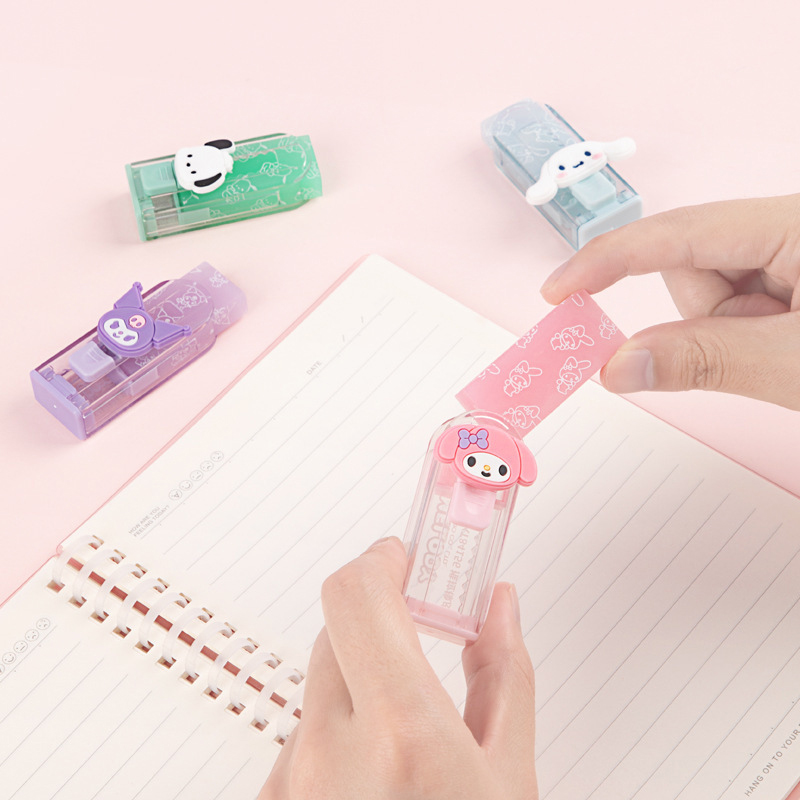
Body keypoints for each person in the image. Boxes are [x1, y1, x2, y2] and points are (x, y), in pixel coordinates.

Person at [259, 196, 800, 798]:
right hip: (438, 591)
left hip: (458, 601)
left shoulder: (492, 463)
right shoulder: (461, 454)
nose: (484, 470)